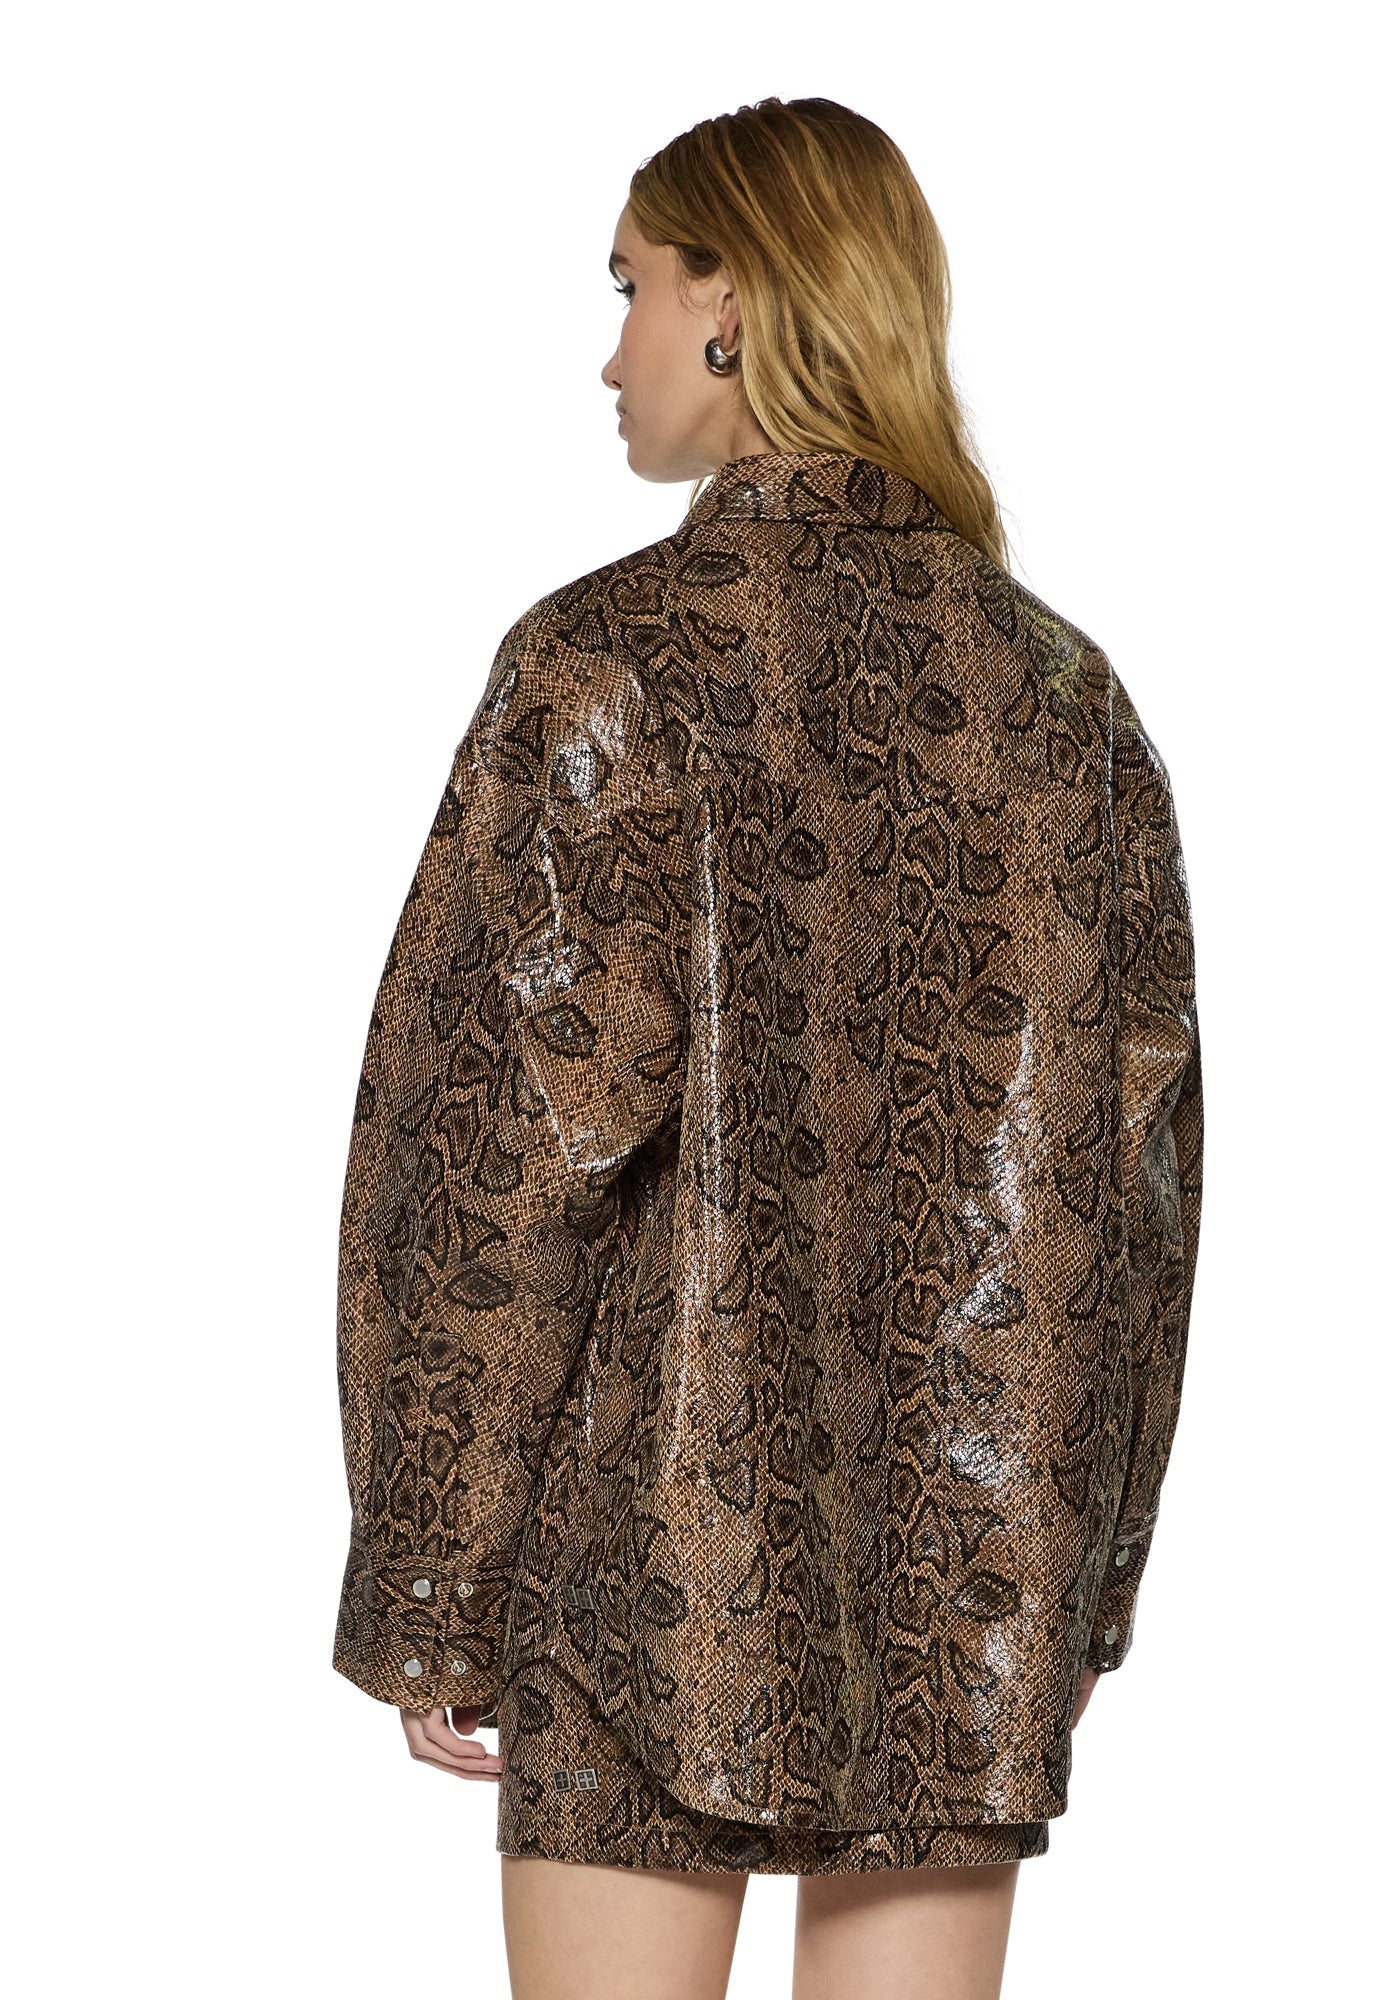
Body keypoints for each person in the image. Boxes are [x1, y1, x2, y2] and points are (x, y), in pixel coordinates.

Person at [331, 95, 1204, 2000]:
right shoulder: (1065, 702)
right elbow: (1139, 1202)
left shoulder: (610, 662)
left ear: (736, 301)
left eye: (632, 288)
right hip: (965, 1581)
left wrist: (433, 1572)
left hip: (637, 1584)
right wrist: (1080, 1580)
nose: (611, 351)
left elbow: (498, 1159)